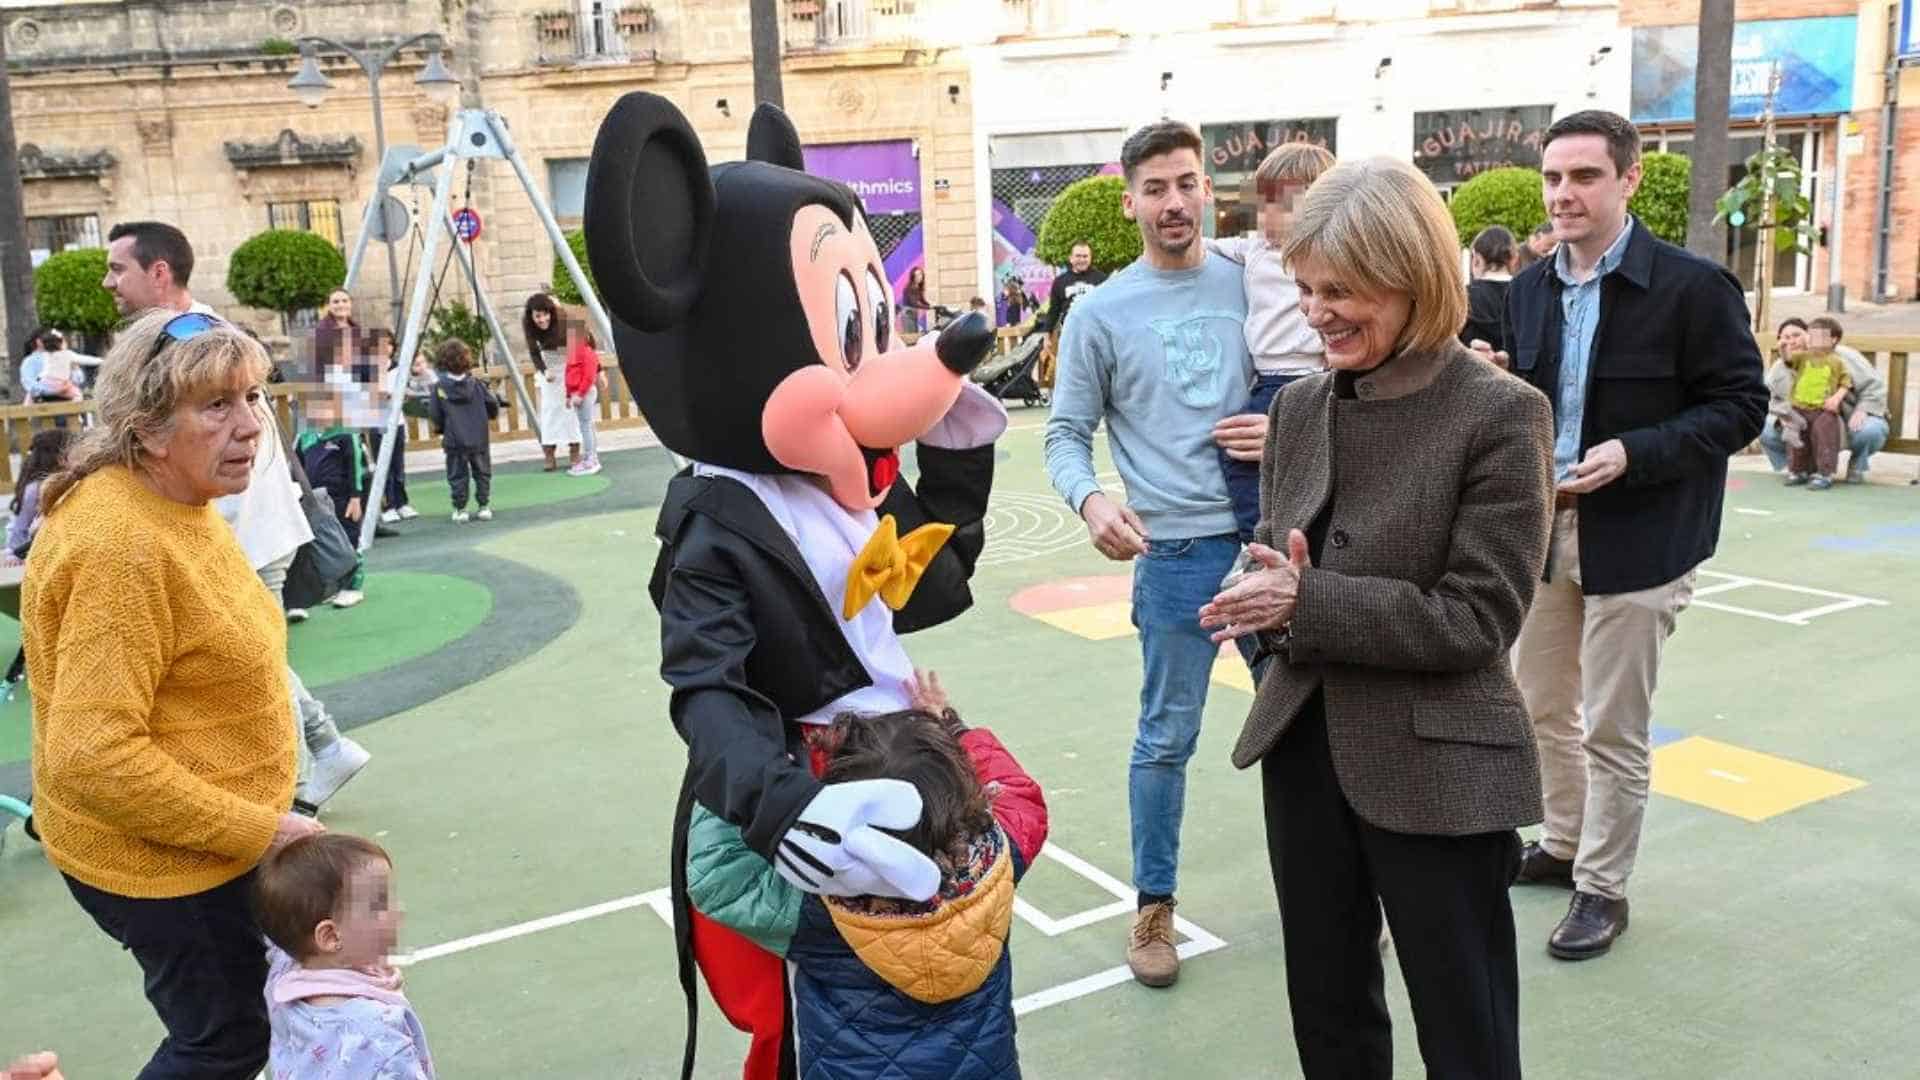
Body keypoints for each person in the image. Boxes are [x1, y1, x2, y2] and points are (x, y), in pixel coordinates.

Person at [1200, 154, 1553, 1080]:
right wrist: (1267, 604)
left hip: (1440, 768)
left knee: (1464, 1025)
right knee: (1328, 1011)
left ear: (1415, 279)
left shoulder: (1503, 415)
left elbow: (1479, 618)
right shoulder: (1300, 408)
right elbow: (1290, 574)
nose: (1317, 314)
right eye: (1307, 288)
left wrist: (1306, 601)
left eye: (1343, 290)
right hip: (1306, 748)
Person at [22, 308, 323, 1080]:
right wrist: (262, 830)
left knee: (240, 1022)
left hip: (201, 843)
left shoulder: (167, 501)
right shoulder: (122, 543)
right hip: (164, 864)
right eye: (216, 405)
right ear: (148, 427)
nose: (251, 424)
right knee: (225, 1038)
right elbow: (94, 757)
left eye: (254, 396)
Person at [1495, 110, 1766, 960]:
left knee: (1614, 724)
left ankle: (1603, 889)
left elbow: (1742, 406)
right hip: (1547, 534)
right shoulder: (1531, 289)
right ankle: (1566, 844)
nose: (1563, 195)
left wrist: (1634, 452)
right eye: (1552, 179)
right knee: (1540, 703)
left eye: (1583, 177)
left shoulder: (1692, 287)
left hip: (1645, 538)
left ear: (1630, 179)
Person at [1044, 119, 1257, 988]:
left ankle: (1343, 894)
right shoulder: (1100, 312)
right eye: (1156, 188)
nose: (1174, 201)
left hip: (1274, 548)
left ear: (1208, 188)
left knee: (1313, 728)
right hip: (1175, 559)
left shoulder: (1258, 283)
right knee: (1166, 739)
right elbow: (1063, 434)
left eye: (1187, 183)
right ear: (1130, 200)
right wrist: (1091, 498)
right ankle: (1154, 907)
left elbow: (1319, 383)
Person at [103, 219, 368, 805]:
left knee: (258, 670)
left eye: (118, 268)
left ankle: (295, 796)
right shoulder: (178, 340)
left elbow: (240, 449)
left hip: (242, 534)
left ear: (160, 272)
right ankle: (322, 753)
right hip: (230, 534)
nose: (108, 282)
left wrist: (201, 536)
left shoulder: (200, 341)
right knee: (258, 662)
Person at [685, 673, 1047, 1080]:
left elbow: (718, 875)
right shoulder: (996, 858)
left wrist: (737, 764)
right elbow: (1017, 792)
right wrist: (950, 723)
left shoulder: (816, 909)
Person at [1206, 141, 1336, 542]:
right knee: (1238, 451)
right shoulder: (1255, 248)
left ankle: (1271, 541)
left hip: (1311, 374)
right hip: (1266, 379)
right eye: (1263, 204)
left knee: (1257, 457)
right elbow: (1203, 247)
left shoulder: (1322, 253)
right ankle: (1259, 539)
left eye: (1281, 205)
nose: (1267, 215)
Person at [255, 833, 435, 1078]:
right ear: (330, 936)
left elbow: (280, 932)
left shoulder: (284, 975)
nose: (397, 911)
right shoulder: (380, 1038)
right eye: (379, 904)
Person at [1758, 316, 1891, 483]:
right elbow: (1767, 398)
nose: (1791, 341)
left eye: (1796, 335)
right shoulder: (1780, 368)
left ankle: (1857, 464)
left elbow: (1874, 386)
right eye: (1785, 337)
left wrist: (1863, 409)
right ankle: (1798, 468)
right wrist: (1782, 416)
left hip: (1844, 421)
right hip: (1803, 423)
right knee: (1764, 427)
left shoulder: (1844, 357)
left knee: (1871, 430)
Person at [295, 386, 371, 609]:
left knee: (348, 540)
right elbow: (297, 467)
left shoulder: (346, 433)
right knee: (323, 542)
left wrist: (356, 497)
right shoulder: (306, 437)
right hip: (316, 500)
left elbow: (356, 466)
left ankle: (354, 586)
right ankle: (332, 585)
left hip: (344, 498)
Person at [428, 339, 500, 522]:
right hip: (479, 436)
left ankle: (461, 509)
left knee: (457, 474)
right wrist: (490, 416)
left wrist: (441, 428)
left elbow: (435, 413)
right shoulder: (477, 384)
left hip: (454, 439)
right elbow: (492, 404)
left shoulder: (439, 388)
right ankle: (483, 506)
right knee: (482, 471)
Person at [1776, 323, 1852, 489]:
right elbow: (1788, 360)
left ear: (1832, 340)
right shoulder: (1803, 357)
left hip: (1823, 409)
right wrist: (1783, 348)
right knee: (1795, 439)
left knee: (1825, 438)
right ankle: (1797, 471)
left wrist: (1836, 399)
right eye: (1811, 335)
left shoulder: (1837, 362)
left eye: (1820, 336)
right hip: (1798, 407)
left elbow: (1846, 383)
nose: (1814, 339)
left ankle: (1825, 474)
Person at [359, 327, 419, 524]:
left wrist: (403, 395)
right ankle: (388, 505)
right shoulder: (368, 370)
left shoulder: (398, 367)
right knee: (382, 465)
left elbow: (406, 390)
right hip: (377, 422)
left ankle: (402, 502)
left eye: (389, 345)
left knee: (398, 464)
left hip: (397, 422)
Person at [522, 293, 584, 472]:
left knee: (571, 409)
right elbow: (534, 353)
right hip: (549, 369)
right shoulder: (529, 327)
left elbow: (583, 348)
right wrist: (544, 370)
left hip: (569, 364)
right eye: (537, 316)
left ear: (552, 311)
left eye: (545, 314)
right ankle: (549, 452)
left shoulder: (567, 321)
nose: (542, 320)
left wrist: (592, 372)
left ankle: (575, 450)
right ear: (531, 316)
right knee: (549, 411)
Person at [1037, 241, 1108, 390]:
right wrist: (1046, 334)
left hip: (1096, 331)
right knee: (1071, 367)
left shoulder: (1101, 279)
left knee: (1097, 367)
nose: (1082, 259)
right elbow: (1054, 310)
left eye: (1085, 256)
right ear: (1071, 258)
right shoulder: (1060, 282)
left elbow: (1109, 308)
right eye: (1078, 256)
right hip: (1070, 331)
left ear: (1090, 257)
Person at [6, 429, 72, 562]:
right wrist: (14, 555)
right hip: (33, 550)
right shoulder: (34, 491)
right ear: (59, 457)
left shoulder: (73, 481)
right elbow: (20, 530)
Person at [1460, 225, 1516, 354]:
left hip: (1474, 370)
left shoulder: (1463, 297)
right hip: (1516, 372)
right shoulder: (1529, 293)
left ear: (1476, 259)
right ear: (1513, 258)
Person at [562, 317, 605, 477]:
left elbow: (589, 376)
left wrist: (579, 394)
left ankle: (591, 459)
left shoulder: (588, 353)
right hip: (576, 394)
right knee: (585, 425)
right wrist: (568, 395)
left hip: (584, 393)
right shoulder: (573, 354)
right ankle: (589, 457)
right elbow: (568, 374)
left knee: (586, 425)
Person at [899, 265, 932, 336]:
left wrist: (931, 305)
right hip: (908, 313)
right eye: (916, 275)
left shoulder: (918, 287)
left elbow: (922, 300)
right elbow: (913, 303)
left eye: (920, 274)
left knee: (915, 334)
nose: (919, 277)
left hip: (913, 312)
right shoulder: (910, 287)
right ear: (913, 276)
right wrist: (928, 307)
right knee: (911, 335)